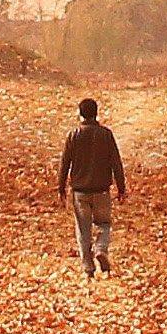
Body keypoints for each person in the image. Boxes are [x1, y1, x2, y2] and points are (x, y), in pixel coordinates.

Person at [57, 97, 127, 278]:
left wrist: (61, 187)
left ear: (80, 114)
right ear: (96, 113)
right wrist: (121, 187)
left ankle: (88, 268)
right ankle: (101, 249)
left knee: (83, 229)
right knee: (104, 224)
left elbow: (65, 163)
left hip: (80, 192)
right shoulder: (106, 134)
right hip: (102, 190)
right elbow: (115, 162)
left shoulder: (74, 135)